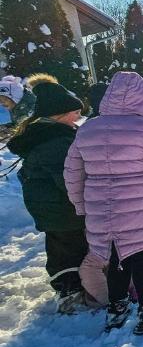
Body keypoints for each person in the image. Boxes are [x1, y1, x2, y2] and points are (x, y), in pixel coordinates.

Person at [64, 71, 143, 335]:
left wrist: (81, 207)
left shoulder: (88, 128)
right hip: (140, 210)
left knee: (116, 258)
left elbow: (72, 173)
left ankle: (117, 308)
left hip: (100, 211)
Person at [7, 74, 88, 314]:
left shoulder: (50, 134)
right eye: (75, 113)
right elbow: (69, 180)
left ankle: (70, 284)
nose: (78, 118)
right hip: (61, 207)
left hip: (50, 205)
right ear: (59, 113)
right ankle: (69, 291)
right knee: (69, 248)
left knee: (62, 245)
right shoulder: (56, 142)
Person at [0, 74, 37, 139]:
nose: (1, 103)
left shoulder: (32, 107)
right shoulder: (12, 108)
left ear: (16, 97)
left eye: (5, 99)